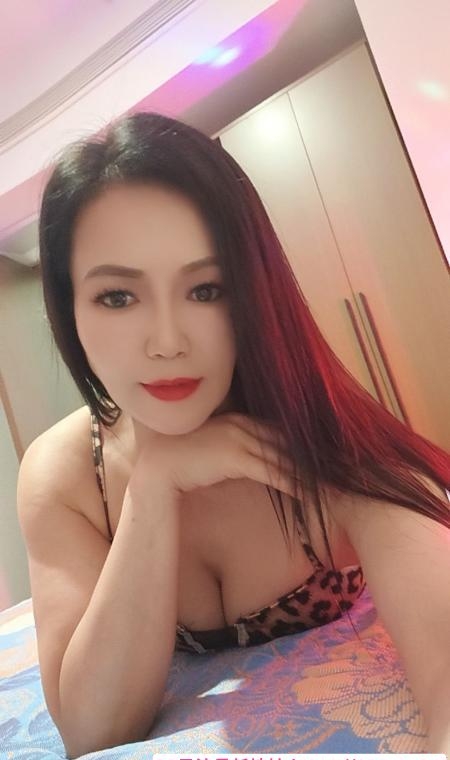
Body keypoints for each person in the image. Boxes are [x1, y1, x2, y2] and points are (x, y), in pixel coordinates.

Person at [16, 111, 450, 758]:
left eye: (206, 289)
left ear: (253, 291)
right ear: (68, 307)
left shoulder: (321, 441)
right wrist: (152, 491)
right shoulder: (69, 474)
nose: (167, 342)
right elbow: (90, 730)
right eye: (117, 297)